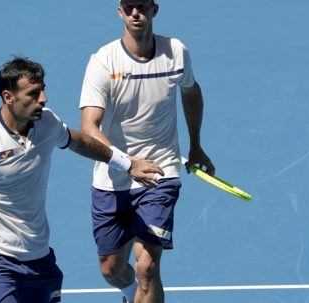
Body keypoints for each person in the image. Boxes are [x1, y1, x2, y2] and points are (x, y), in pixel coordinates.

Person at [0, 57, 163, 303]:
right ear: (8, 98)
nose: (43, 99)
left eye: (43, 90)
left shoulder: (47, 123)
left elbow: (80, 142)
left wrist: (127, 164)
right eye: (33, 93)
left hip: (39, 257)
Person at [79, 1, 216, 302]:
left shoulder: (176, 52)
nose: (135, 13)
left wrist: (196, 146)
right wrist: (127, 164)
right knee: (111, 268)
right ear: (119, 12)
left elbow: (190, 92)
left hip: (160, 171)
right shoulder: (103, 61)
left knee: (147, 267)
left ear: (155, 9)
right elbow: (89, 127)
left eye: (141, 6)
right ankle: (130, 294)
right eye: (129, 8)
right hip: (113, 176)